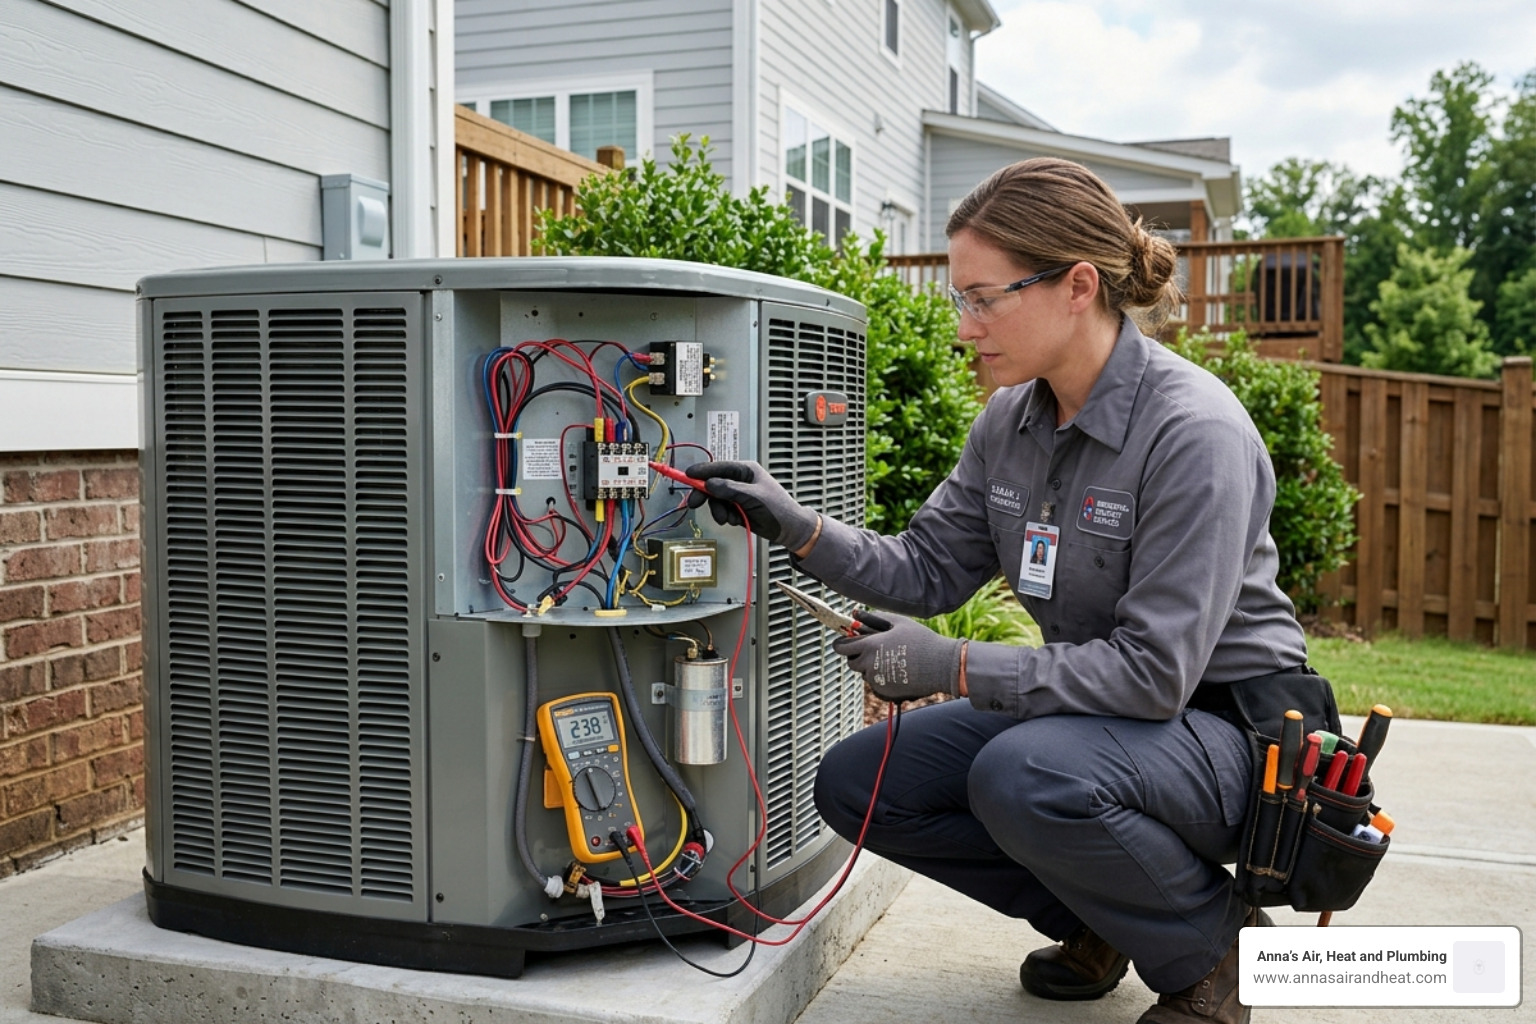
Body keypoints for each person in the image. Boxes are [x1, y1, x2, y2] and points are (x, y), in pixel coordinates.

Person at [687, 157, 1330, 1024]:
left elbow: (1152, 676)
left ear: (1077, 285)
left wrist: (949, 664)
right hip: (1110, 722)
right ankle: (1109, 918)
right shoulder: (1012, 421)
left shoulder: (1193, 432)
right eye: (962, 298)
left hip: (1234, 735)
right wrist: (796, 526)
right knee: (859, 782)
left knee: (1024, 774)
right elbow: (926, 567)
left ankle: (1218, 954)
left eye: (984, 298)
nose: (965, 325)